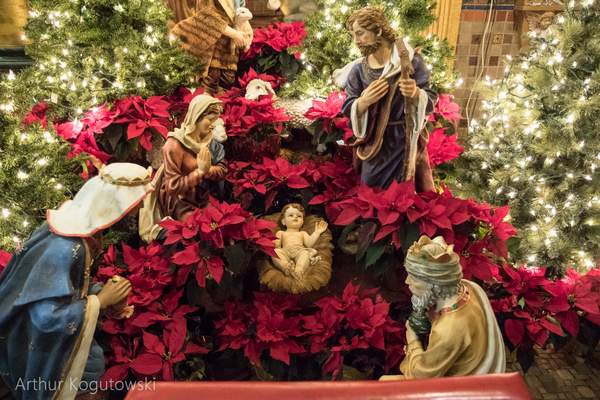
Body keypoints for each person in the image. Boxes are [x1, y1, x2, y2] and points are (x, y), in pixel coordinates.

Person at [0, 163, 152, 399]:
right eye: (137, 200)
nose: (141, 206)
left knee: (94, 364)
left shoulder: (80, 231)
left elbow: (68, 288)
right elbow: (44, 318)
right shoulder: (67, 247)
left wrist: (104, 295)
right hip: (43, 352)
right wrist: (99, 302)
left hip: (69, 343)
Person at [382, 236, 506, 379]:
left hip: (458, 385)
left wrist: (413, 340)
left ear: (435, 284)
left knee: (383, 383)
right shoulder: (469, 287)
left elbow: (421, 377)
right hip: (464, 364)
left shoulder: (448, 329)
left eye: (414, 278)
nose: (407, 281)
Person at [341, 6, 437, 190]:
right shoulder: (359, 70)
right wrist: (363, 102)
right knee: (370, 190)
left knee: (401, 193)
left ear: (378, 30)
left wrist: (416, 94)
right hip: (374, 143)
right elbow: (348, 106)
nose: (356, 41)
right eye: (353, 35)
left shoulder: (410, 61)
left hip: (403, 142)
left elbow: (431, 97)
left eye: (360, 33)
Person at [139, 94, 227, 242]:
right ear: (196, 117)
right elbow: (172, 187)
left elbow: (222, 169)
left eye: (216, 120)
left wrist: (208, 170)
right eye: (210, 120)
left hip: (202, 197)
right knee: (198, 232)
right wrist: (199, 172)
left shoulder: (210, 142)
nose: (213, 125)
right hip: (180, 202)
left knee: (221, 224)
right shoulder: (174, 145)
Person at [169, 0, 252, 94]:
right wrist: (234, 34)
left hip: (230, 52)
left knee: (227, 83)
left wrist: (245, 35)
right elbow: (207, 15)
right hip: (212, 48)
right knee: (210, 83)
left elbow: (240, 12)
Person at [272, 203, 328, 278]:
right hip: (285, 252)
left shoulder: (302, 233)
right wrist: (275, 243)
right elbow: (277, 246)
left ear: (302, 222)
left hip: (299, 251)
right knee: (275, 252)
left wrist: (317, 232)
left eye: (299, 216)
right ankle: (286, 267)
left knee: (305, 254)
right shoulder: (281, 233)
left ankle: (299, 270)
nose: (295, 217)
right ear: (283, 221)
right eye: (291, 215)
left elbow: (309, 244)